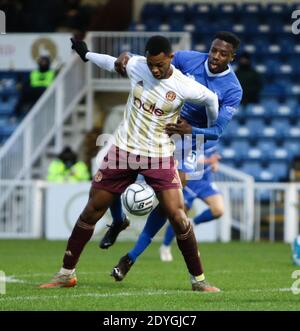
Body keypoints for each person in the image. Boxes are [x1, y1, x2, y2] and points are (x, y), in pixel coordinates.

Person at [39, 35, 220, 292]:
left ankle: (199, 281)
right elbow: (112, 63)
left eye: (159, 64)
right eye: (151, 63)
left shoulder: (185, 86)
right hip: (123, 149)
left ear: (170, 58)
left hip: (158, 155)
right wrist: (86, 54)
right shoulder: (138, 65)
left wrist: (203, 128)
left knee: (179, 217)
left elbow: (212, 100)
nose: (154, 69)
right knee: (92, 209)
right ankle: (66, 274)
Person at [106, 31, 242, 282]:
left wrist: (192, 129)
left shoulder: (233, 89)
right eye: (214, 50)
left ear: (232, 57)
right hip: (160, 128)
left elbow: (218, 132)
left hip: (191, 142)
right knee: (116, 171)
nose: (215, 56)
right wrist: (127, 58)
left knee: (171, 205)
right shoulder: (189, 58)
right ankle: (117, 221)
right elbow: (158, 63)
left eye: (223, 53)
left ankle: (131, 257)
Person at [160, 142, 223, 261]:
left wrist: (215, 164)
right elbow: (193, 160)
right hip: (190, 182)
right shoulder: (193, 137)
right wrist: (209, 161)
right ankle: (165, 246)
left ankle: (193, 222)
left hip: (205, 182)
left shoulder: (214, 139)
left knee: (218, 210)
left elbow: (214, 158)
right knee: (178, 216)